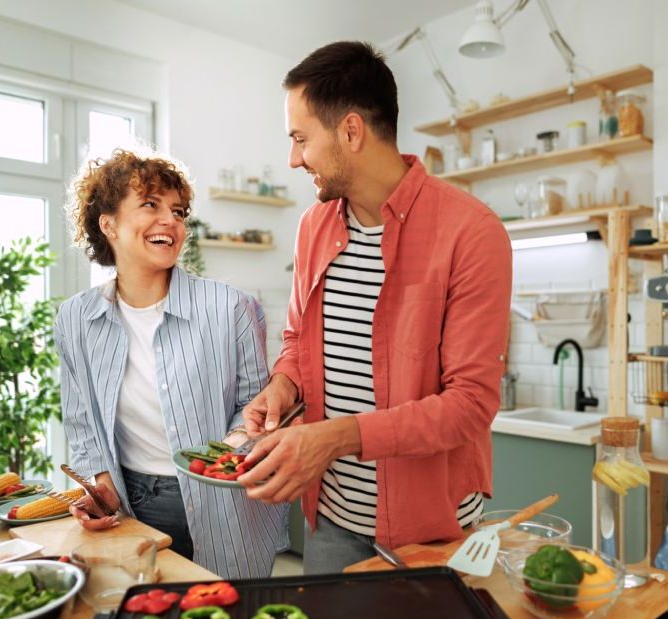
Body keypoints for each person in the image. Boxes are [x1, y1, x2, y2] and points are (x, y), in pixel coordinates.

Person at [239, 42, 512, 574]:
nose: (294, 158)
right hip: (333, 521)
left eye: (300, 139)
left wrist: (335, 438)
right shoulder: (313, 228)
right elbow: (298, 341)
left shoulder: (472, 232)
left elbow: (470, 405)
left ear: (350, 131)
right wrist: (283, 387)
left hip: (433, 533)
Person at [55, 148, 287, 579]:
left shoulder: (230, 307)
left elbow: (255, 405)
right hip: (130, 498)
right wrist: (100, 487)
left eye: (178, 211)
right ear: (108, 224)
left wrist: (228, 454)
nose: (171, 221)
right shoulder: (76, 318)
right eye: (150, 205)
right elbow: (81, 420)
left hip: (223, 498)